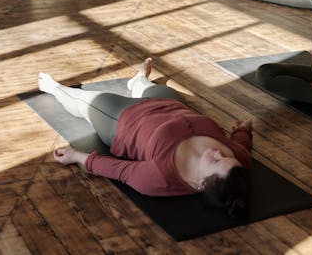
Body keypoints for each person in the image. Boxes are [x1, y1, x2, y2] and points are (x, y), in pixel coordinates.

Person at [39, 58, 253, 217]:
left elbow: (120, 171)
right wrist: (243, 130)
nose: (219, 152)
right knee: (153, 89)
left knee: (80, 100)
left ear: (203, 184)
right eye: (225, 155)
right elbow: (240, 145)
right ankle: (138, 80)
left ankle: (53, 88)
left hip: (121, 119)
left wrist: (76, 156)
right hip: (170, 103)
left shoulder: (159, 179)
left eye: (216, 160)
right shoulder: (237, 161)